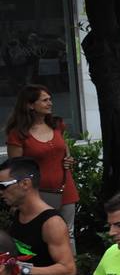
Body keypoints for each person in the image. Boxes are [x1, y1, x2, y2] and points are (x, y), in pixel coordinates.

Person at [6, 84, 79, 236]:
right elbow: (15, 169)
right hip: (36, 194)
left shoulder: (57, 124)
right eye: (45, 100)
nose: (50, 103)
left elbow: (64, 149)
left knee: (68, 233)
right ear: (30, 105)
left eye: (50, 99)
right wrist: (16, 197)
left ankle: (69, 254)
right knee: (40, 234)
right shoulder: (18, 134)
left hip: (64, 188)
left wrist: (69, 159)